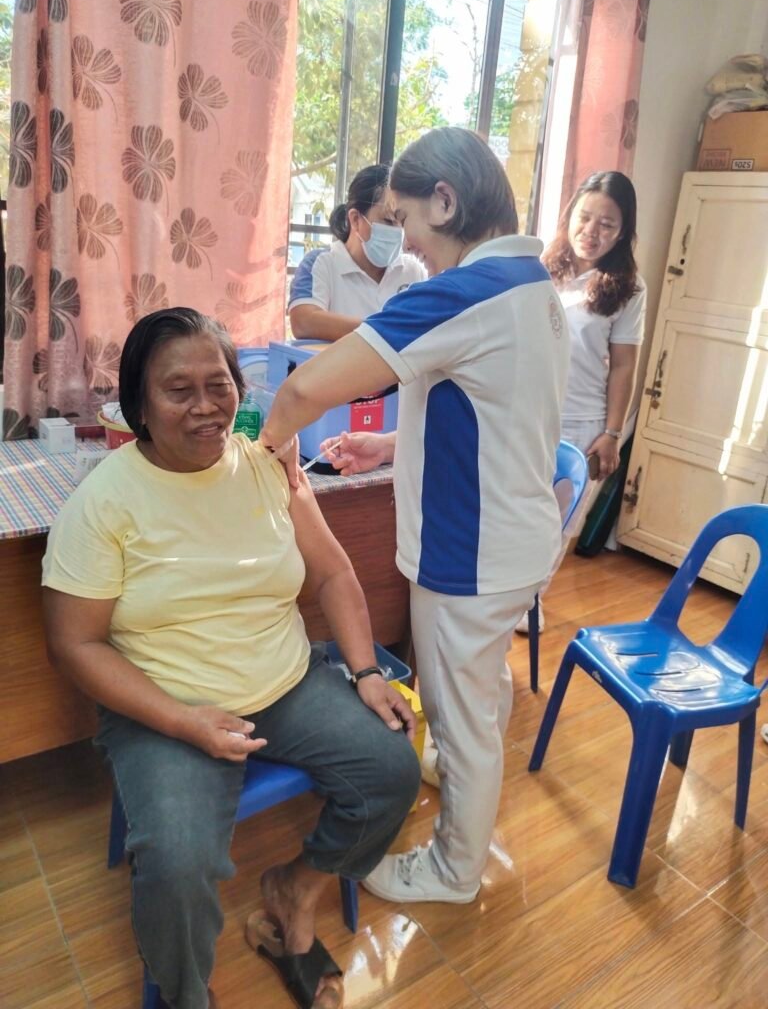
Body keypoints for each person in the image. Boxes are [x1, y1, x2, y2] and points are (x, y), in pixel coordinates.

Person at [41, 308, 420, 1009]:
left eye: (218, 384)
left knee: (393, 770)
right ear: (139, 407)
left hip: (285, 683)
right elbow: (74, 643)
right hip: (164, 706)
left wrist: (367, 672)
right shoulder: (104, 502)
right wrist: (183, 722)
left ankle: (294, 891)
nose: (205, 406)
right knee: (178, 863)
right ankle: (186, 994)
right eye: (178, 390)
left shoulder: (268, 466)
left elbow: (334, 573)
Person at [259, 127, 570, 905]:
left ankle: (454, 870)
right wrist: (392, 446)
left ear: (446, 201)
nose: (407, 244)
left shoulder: (461, 292)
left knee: (462, 716)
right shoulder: (531, 285)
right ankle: (459, 762)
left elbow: (305, 389)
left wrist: (263, 455)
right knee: (478, 692)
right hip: (518, 539)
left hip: (471, 554)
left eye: (405, 220)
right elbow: (496, 413)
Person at [516, 170, 646, 634]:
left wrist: (612, 433)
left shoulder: (627, 288)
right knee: (518, 511)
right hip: (526, 411)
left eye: (606, 224)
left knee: (558, 520)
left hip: (581, 424)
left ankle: (531, 600)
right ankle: (505, 594)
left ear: (623, 232)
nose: (591, 231)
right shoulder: (541, 267)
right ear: (569, 215)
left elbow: (624, 367)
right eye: (585, 218)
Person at [289, 163, 426, 342]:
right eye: (388, 220)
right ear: (355, 219)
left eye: (402, 221)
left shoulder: (413, 272)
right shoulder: (321, 264)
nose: (397, 230)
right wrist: (387, 331)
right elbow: (304, 322)